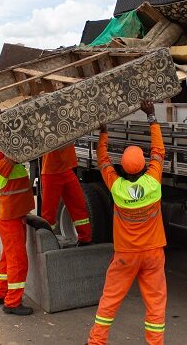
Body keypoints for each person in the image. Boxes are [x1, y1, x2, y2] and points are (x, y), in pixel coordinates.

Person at [87, 100, 167, 345]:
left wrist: (103, 131)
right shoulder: (153, 182)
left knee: (110, 300)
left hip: (125, 255)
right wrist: (152, 116)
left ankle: (96, 341)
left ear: (123, 167)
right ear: (144, 166)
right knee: (155, 304)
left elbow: (103, 161)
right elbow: (158, 151)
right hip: (153, 254)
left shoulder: (116, 186)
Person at [0, 151, 35, 316]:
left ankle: (0, 294)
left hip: (15, 218)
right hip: (11, 221)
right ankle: (12, 302)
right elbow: (11, 158)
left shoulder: (15, 165)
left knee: (7, 260)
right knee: (18, 263)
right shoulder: (2, 167)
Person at [40, 144, 92, 245]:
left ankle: (85, 239)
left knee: (78, 204)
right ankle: (46, 243)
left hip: (66, 169)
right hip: (51, 172)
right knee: (49, 213)